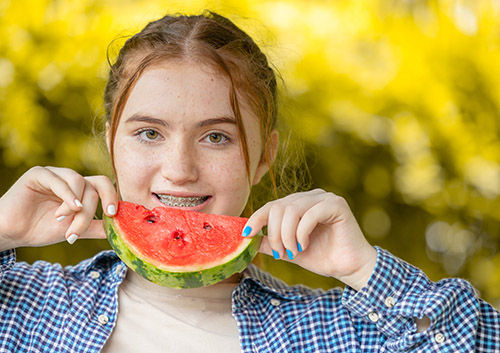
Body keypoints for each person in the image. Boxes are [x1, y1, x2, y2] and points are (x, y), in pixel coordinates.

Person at [0, 11, 498, 353]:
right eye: (149, 132)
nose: (179, 169)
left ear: (264, 157)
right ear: (111, 143)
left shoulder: (334, 329)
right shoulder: (28, 302)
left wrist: (364, 269)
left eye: (216, 137)